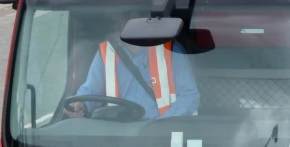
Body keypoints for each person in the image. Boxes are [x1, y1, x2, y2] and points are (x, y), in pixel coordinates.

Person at [65, 16, 200, 120]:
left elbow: (189, 96)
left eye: (132, 18)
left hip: (162, 137)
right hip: (118, 135)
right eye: (121, 19)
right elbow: (91, 90)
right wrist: (80, 103)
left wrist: (161, 125)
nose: (122, 23)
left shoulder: (171, 50)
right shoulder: (106, 51)